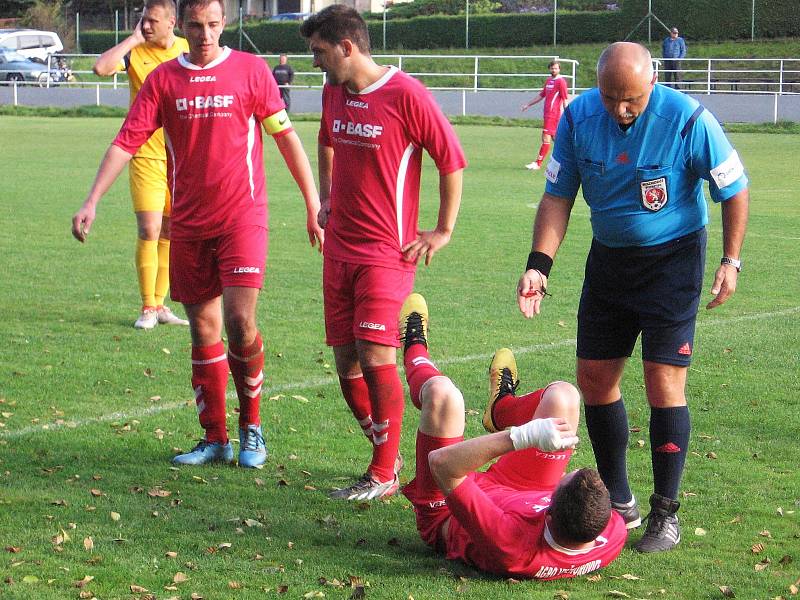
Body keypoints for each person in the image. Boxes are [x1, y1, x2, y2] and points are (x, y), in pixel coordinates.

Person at [516, 42, 749, 553]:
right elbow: (558, 196)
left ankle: (665, 513)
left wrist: (730, 261)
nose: (621, 109)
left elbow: (733, 189)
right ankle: (619, 500)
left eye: (632, 99)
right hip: (610, 260)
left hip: (674, 261)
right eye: (610, 97)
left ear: (653, 80)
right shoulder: (578, 118)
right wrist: (539, 265)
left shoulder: (689, 120)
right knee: (595, 378)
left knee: (662, 379)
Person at [72, 0, 323, 469]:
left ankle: (252, 428)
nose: (205, 34)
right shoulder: (163, 80)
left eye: (212, 25)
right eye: (195, 26)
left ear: (224, 24)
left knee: (239, 320)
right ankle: (215, 438)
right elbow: (127, 140)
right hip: (188, 222)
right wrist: (92, 199)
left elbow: (286, 138)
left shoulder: (250, 71)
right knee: (204, 329)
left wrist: (313, 204)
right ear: (182, 27)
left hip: (242, 219)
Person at [300, 5, 466, 501]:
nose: (315, 63)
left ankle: (380, 473)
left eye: (319, 52)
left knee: (376, 356)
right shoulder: (333, 91)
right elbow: (325, 140)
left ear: (347, 47)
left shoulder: (405, 94)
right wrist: (326, 198)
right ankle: (388, 456)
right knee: (346, 364)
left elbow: (451, 158)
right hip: (339, 250)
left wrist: (442, 229)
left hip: (385, 252)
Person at [398, 293, 628, 578]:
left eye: (564, 478)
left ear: (549, 512)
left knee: (444, 397)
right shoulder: (611, 532)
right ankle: (500, 409)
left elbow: (442, 464)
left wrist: (523, 436)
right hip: (524, 488)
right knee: (564, 397)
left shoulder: (512, 543)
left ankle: (414, 346)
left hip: (447, 505)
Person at [92, 0, 190, 330]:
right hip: (145, 154)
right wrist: (133, 40)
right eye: (142, 20)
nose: (146, 25)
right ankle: (147, 306)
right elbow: (101, 68)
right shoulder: (136, 52)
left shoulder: (187, 50)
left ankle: (161, 304)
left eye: (152, 20)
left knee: (170, 230)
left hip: (180, 157)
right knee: (149, 228)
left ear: (171, 22)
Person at [521, 60, 569, 171]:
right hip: (547, 114)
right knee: (557, 140)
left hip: (553, 115)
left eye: (556, 68)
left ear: (559, 69)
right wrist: (528, 104)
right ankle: (570, 160)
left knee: (545, 138)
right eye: (552, 68)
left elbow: (565, 99)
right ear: (549, 69)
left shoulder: (561, 82)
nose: (554, 70)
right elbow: (541, 95)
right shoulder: (548, 81)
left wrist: (568, 115)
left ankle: (537, 163)